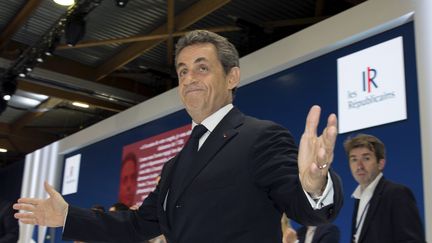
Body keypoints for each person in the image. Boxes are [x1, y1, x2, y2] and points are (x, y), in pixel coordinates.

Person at [13, 30, 343, 243]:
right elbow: (136, 226)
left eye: (202, 67)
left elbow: (306, 210)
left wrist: (315, 185)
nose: (189, 79)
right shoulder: (174, 165)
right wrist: (67, 216)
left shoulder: (261, 137)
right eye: (183, 71)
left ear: (232, 77)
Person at [344, 134, 425, 243]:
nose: (359, 166)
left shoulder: (397, 194)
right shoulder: (359, 198)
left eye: (366, 158)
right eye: (354, 160)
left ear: (381, 163)